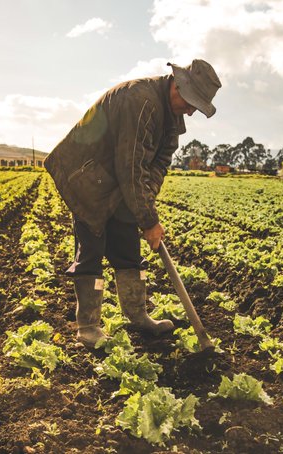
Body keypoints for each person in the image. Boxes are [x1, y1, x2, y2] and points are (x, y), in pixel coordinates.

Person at [44, 59, 222, 348]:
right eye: (191, 102)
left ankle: (138, 316)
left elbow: (158, 165)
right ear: (177, 84)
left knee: (127, 248)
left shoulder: (173, 120)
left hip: (117, 180)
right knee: (92, 249)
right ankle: (88, 326)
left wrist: (146, 206)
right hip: (87, 175)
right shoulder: (140, 101)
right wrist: (149, 220)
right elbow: (131, 166)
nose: (191, 110)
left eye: (196, 107)